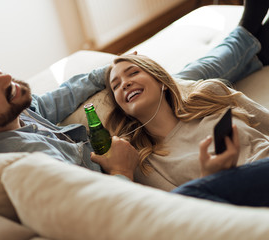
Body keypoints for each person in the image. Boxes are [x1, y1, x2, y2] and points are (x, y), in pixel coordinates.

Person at [0, 2, 268, 183]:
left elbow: (60, 96)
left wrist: (112, 70)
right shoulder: (36, 167)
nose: (6, 78)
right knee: (168, 86)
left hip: (98, 137)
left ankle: (253, 45)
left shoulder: (13, 112)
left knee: (164, 80)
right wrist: (121, 171)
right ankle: (250, 37)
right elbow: (108, 204)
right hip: (117, 154)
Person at [90, 2, 269, 197]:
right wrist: (210, 178)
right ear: (122, 108)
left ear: (162, 82)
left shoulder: (210, 93)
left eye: (133, 73)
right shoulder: (146, 164)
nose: (125, 83)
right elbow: (187, 208)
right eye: (116, 85)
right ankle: (250, 30)